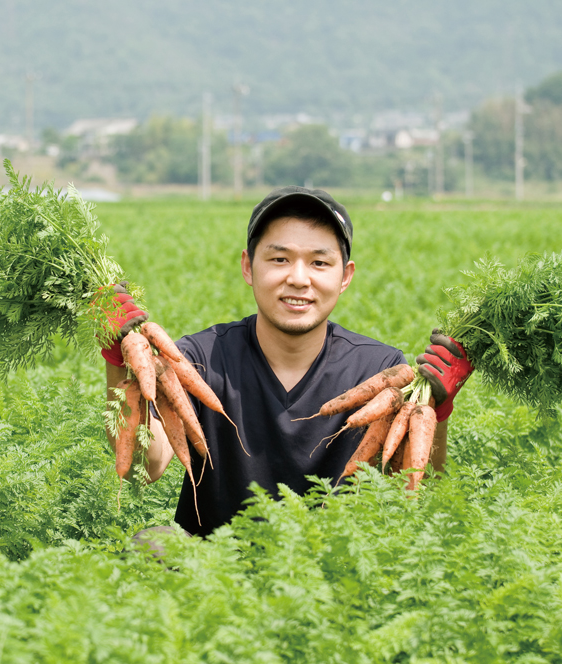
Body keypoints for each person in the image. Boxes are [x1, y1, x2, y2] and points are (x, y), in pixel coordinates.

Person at [103, 186, 473, 538]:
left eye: (319, 263)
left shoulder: (380, 368)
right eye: (279, 259)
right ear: (248, 267)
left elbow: (414, 494)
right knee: (152, 543)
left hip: (333, 572)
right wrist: (120, 360)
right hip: (212, 569)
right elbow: (144, 469)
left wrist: (436, 412)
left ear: (345, 276)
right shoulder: (198, 358)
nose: (298, 278)